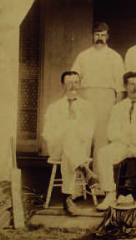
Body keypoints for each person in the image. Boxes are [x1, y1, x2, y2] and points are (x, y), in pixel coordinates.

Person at [95, 71, 136, 212]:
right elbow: (112, 131)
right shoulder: (118, 107)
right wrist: (126, 144)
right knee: (103, 153)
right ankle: (110, 193)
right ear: (125, 86)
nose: (135, 88)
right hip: (123, 145)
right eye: (131, 84)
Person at [41, 71, 98, 215]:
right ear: (63, 85)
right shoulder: (54, 107)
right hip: (57, 148)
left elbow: (89, 132)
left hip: (78, 148)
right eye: (69, 82)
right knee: (68, 136)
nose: (73, 86)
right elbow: (47, 132)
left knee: (70, 145)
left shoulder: (87, 106)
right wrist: (65, 131)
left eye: (76, 82)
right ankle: (85, 169)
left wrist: (73, 130)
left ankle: (67, 198)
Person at [72, 22, 125, 162]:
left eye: (102, 35)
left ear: (107, 37)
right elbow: (74, 79)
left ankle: (100, 179)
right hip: (86, 96)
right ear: (92, 36)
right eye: (97, 35)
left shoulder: (115, 56)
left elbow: (120, 86)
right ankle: (81, 179)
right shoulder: (83, 56)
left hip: (106, 99)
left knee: (102, 138)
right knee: (84, 136)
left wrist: (116, 107)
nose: (99, 38)